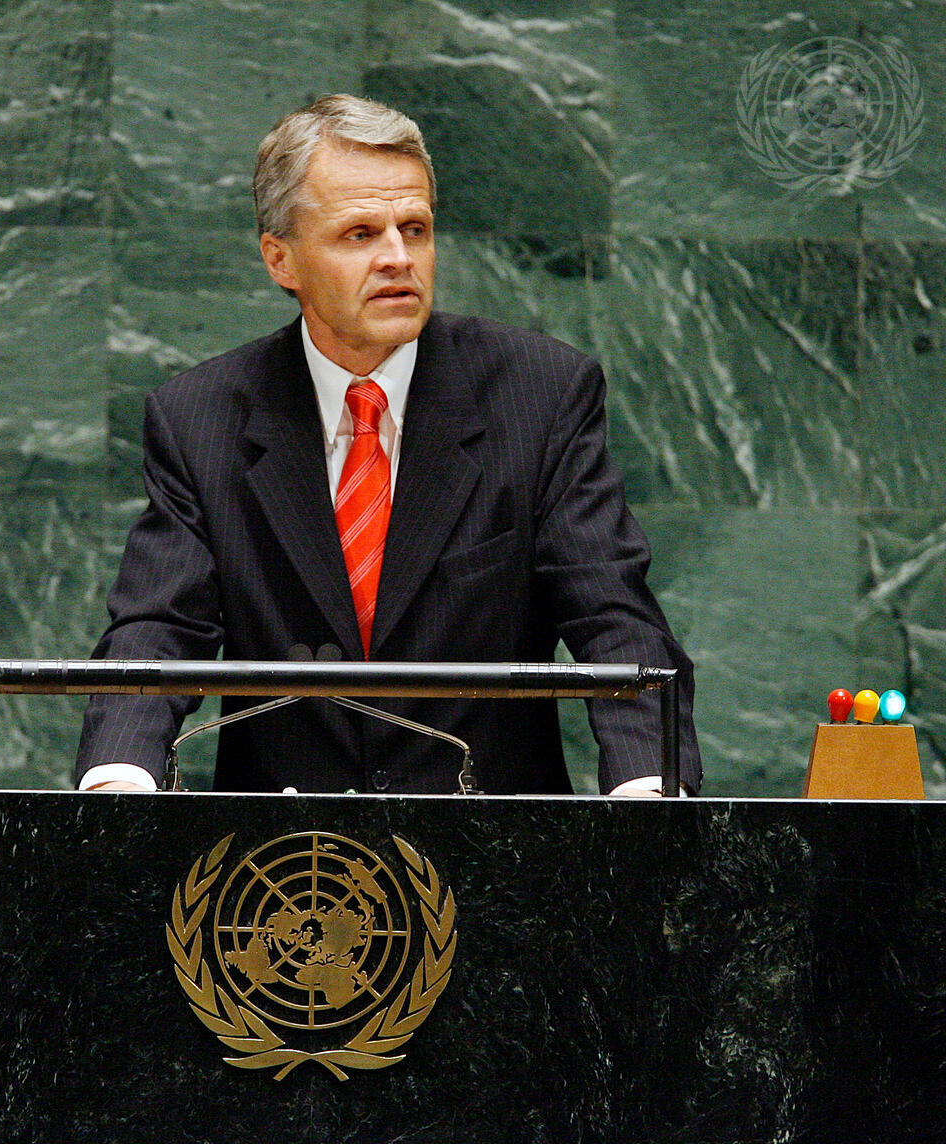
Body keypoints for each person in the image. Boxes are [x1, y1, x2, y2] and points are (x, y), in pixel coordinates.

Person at [75, 94, 701, 797]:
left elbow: (613, 617)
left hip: (494, 843)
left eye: (416, 229)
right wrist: (118, 783)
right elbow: (158, 627)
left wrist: (649, 795)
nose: (399, 258)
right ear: (281, 259)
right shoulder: (200, 418)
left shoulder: (542, 396)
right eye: (360, 234)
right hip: (283, 853)